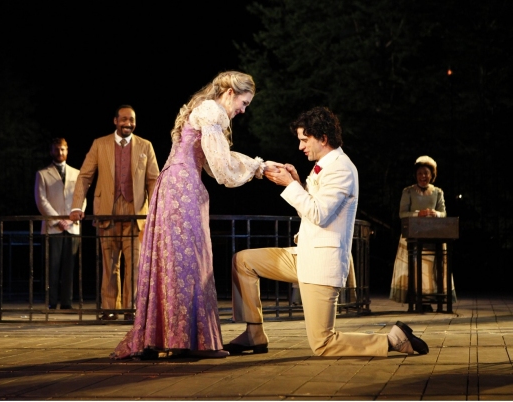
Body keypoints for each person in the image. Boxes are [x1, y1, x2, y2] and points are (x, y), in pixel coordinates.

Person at [226, 106, 429, 357]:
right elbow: (309, 211)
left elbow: (320, 215)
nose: (300, 147)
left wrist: (290, 185)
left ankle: (392, 339)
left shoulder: (342, 168)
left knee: (323, 343)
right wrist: (299, 182)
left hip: (321, 263)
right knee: (243, 261)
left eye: (304, 139)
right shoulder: (324, 165)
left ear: (323, 138)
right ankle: (254, 334)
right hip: (304, 255)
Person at [112, 71, 274, 360]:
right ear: (229, 94)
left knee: (173, 260)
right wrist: (257, 168)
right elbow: (221, 168)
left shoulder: (202, 109)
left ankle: (160, 338)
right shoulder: (213, 111)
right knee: (189, 261)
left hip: (172, 185)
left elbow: (213, 162)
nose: (243, 109)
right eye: (244, 102)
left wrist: (256, 167)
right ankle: (190, 341)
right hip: (183, 189)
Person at [69, 105, 160, 321]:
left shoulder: (145, 146)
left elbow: (153, 180)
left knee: (135, 264)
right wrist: (75, 206)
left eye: (132, 120)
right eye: (124, 119)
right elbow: (84, 176)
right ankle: (109, 309)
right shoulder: (100, 144)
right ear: (115, 121)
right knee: (110, 264)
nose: (128, 123)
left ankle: (131, 309)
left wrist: (155, 211)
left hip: (136, 214)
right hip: (106, 213)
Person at [389, 155, 456, 308]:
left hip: (434, 236)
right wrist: (418, 214)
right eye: (420, 173)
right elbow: (402, 214)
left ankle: (435, 299)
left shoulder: (438, 192)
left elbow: (443, 213)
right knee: (416, 268)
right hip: (413, 236)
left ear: (432, 175)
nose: (423, 176)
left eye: (426, 173)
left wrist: (435, 214)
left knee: (433, 268)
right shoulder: (408, 191)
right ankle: (416, 299)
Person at [34, 138, 86, 309]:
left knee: (69, 267)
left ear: (67, 150)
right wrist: (57, 220)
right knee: (52, 266)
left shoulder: (76, 173)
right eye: (57, 149)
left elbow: (81, 197)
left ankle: (67, 302)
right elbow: (41, 200)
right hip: (53, 228)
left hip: (72, 226)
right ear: (51, 151)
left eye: (63, 149)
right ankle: (51, 301)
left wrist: (72, 218)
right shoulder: (42, 174)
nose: (60, 153)